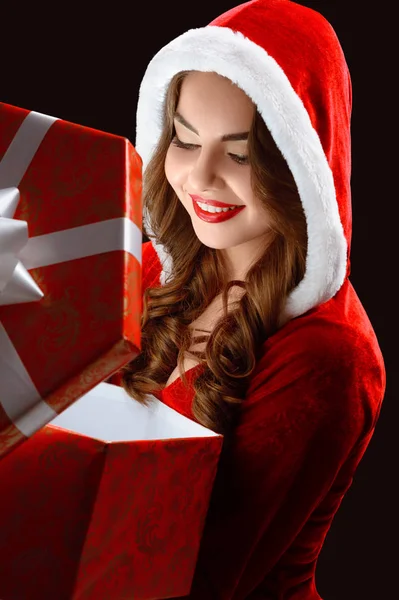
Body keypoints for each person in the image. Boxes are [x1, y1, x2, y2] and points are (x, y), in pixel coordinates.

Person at [110, 0, 386, 598]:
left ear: (301, 165)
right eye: (185, 141)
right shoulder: (159, 267)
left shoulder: (329, 357)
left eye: (239, 155)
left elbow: (206, 577)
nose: (201, 177)